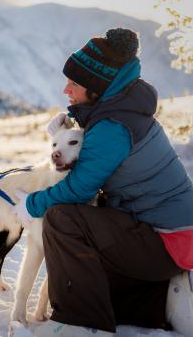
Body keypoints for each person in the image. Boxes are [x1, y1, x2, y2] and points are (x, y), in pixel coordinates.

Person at [15, 28, 193, 337]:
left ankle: (79, 324)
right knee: (92, 245)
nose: (65, 90)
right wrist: (60, 137)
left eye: (74, 83)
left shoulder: (112, 125)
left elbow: (78, 188)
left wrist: (30, 205)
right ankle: (158, 300)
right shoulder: (120, 111)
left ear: (97, 87)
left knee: (62, 217)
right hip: (166, 236)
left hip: (167, 242)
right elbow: (92, 155)